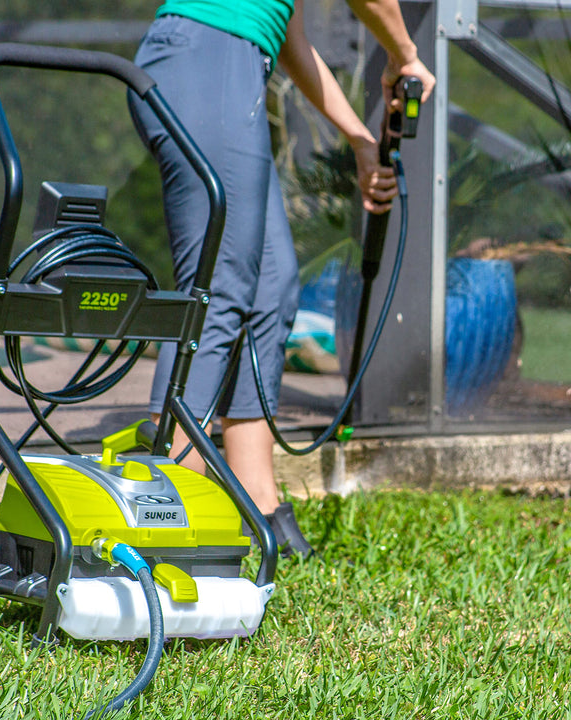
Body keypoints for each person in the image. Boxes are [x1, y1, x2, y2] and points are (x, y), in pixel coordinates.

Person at [128, 0, 435, 557]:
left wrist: (362, 142)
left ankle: (256, 500)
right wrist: (404, 55)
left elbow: (286, 30)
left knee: (271, 288)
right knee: (216, 289)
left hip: (231, 63)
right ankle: (162, 510)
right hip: (207, 58)